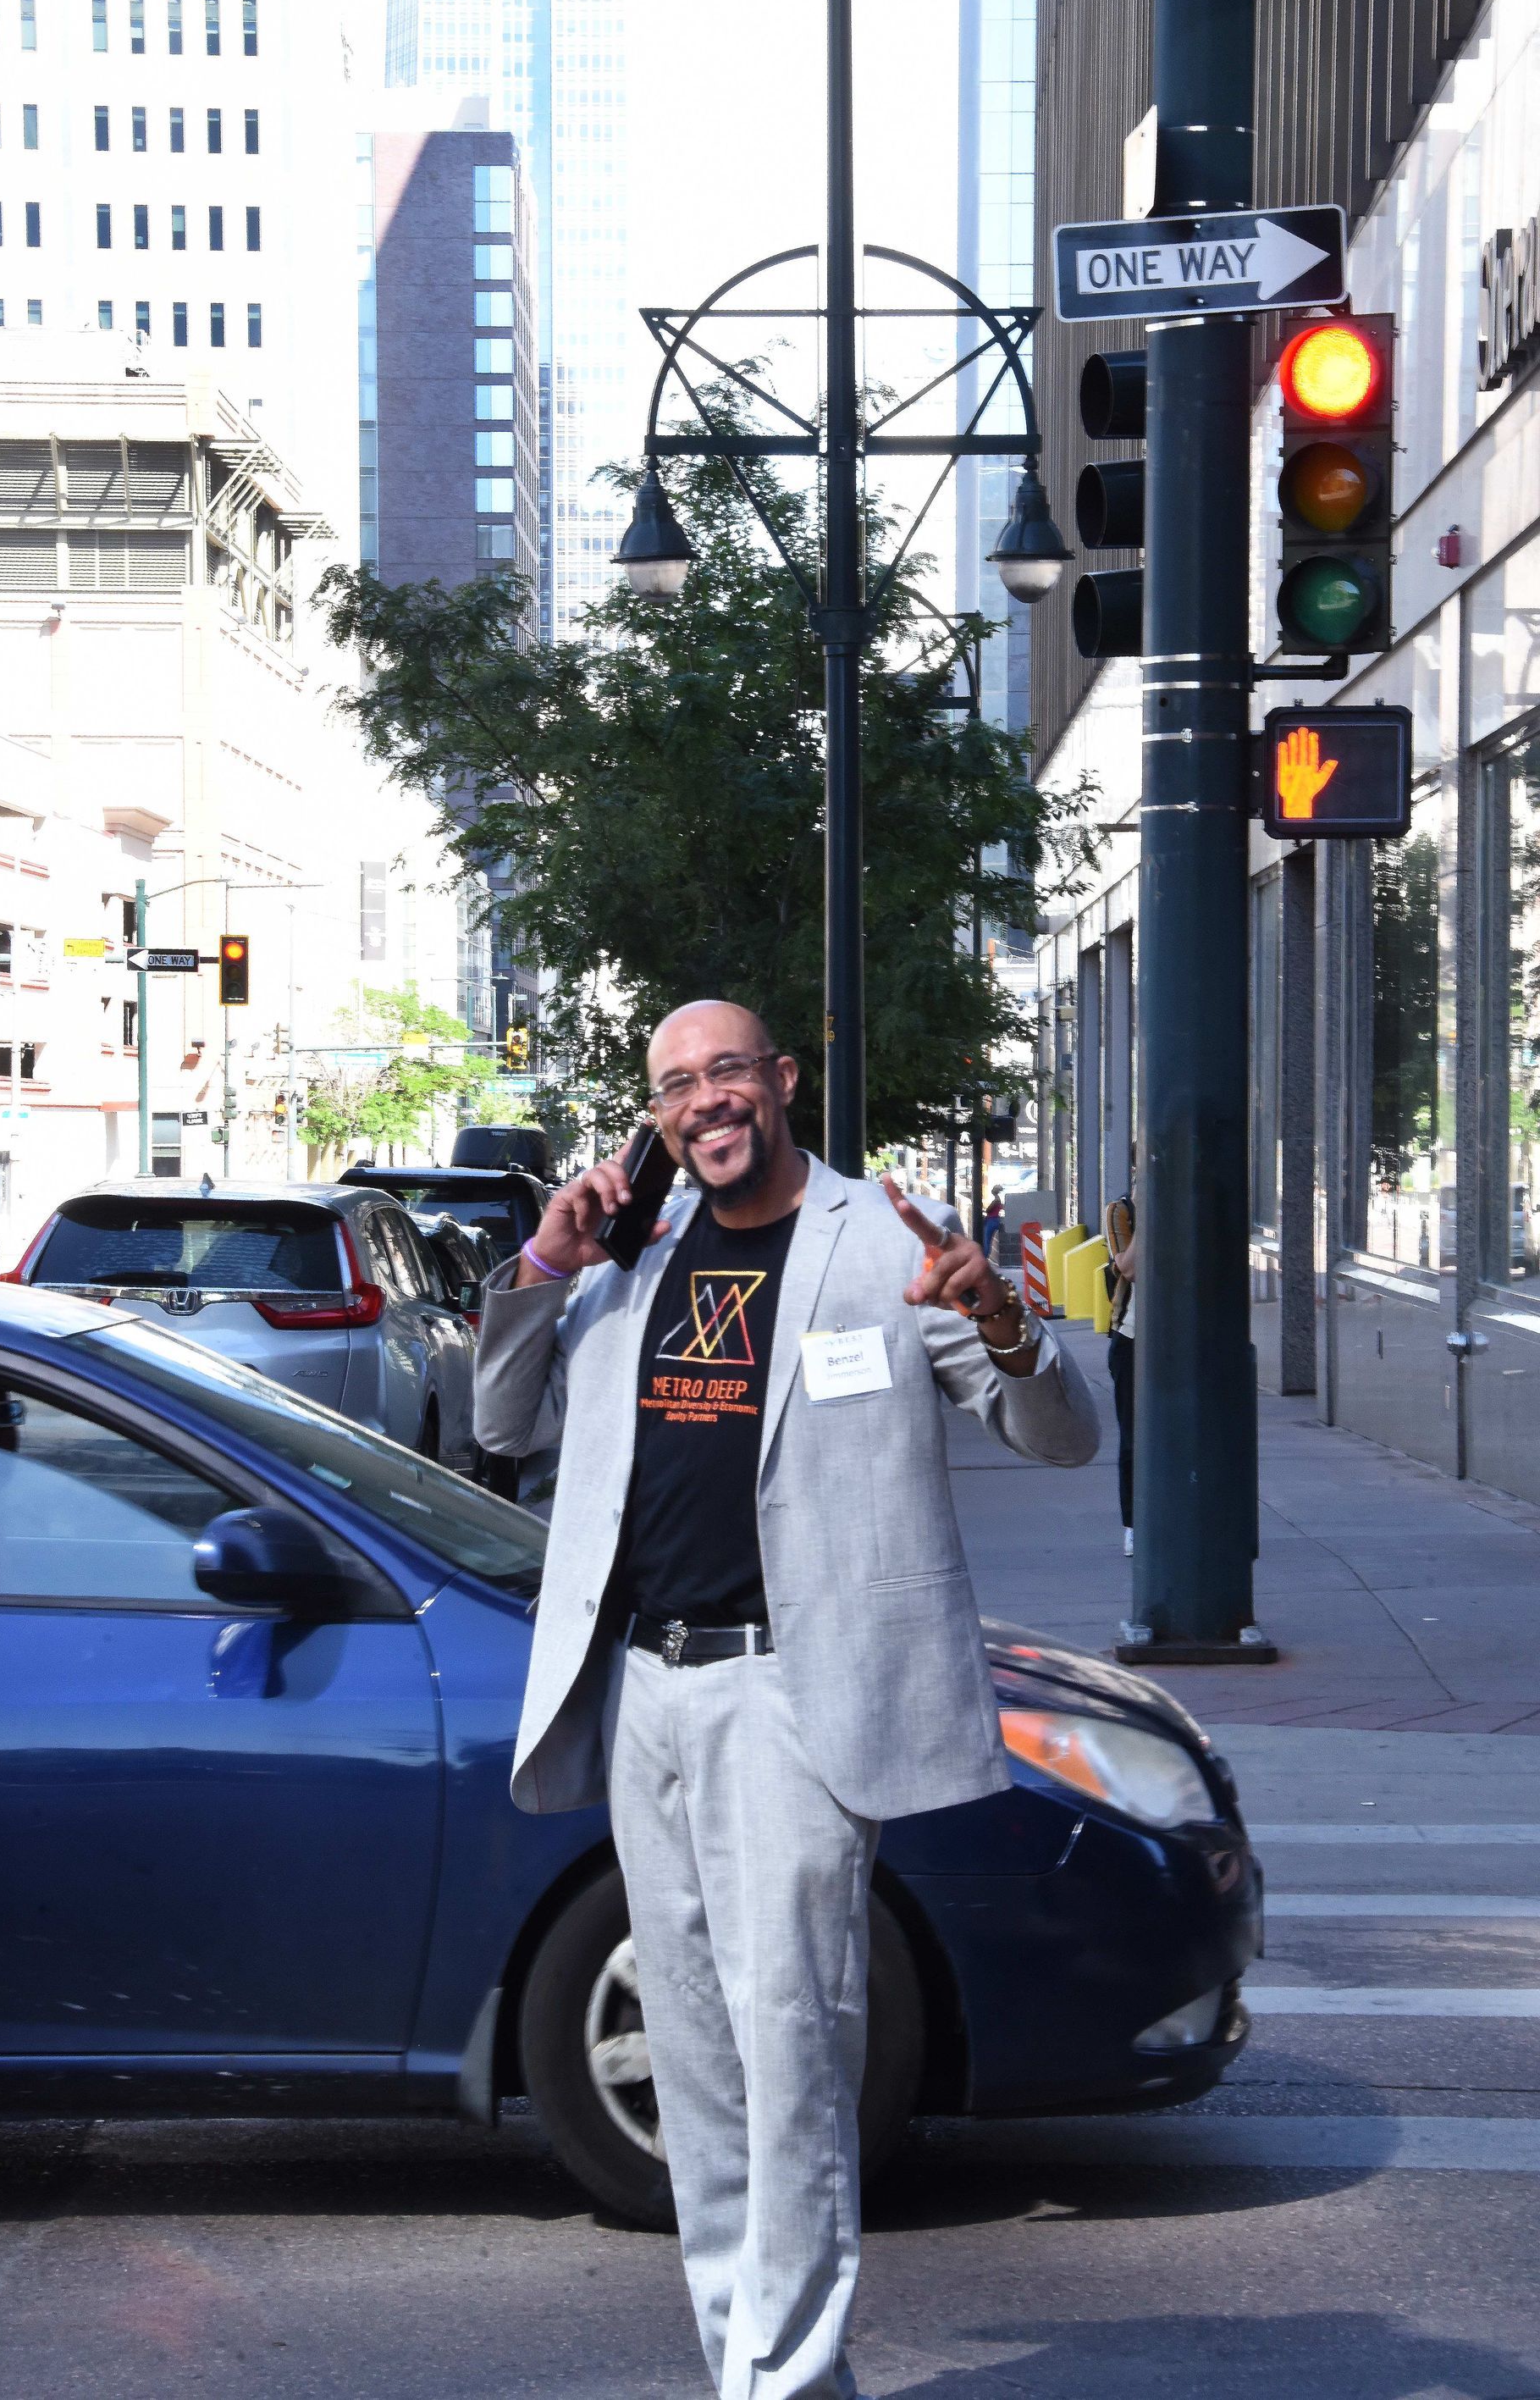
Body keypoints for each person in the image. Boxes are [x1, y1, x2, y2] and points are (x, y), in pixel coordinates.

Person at [476, 999, 1098, 2400]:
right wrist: (541, 1258)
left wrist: (1001, 1317)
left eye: (729, 1070)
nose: (707, 1099)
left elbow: (1062, 1435)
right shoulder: (629, 1252)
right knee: (694, 2053)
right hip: (646, 1687)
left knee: (795, 2042)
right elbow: (504, 1418)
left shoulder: (883, 1240)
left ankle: (794, 2374)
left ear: (784, 1080)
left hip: (792, 1694)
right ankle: (738, 2359)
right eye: (677, 1082)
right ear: (658, 1109)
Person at [1104, 1192, 1136, 1557]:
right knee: (1133, 1438)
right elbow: (1129, 1267)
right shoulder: (1122, 1211)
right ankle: (1134, 1524)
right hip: (1133, 1338)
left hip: (1184, 1340)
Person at [982, 1186, 1005, 1261]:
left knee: (987, 1241)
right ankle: (985, 1257)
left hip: (991, 1221)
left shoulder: (996, 1200)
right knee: (988, 1241)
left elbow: (988, 1210)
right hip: (996, 1220)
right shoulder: (999, 1200)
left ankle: (984, 1258)